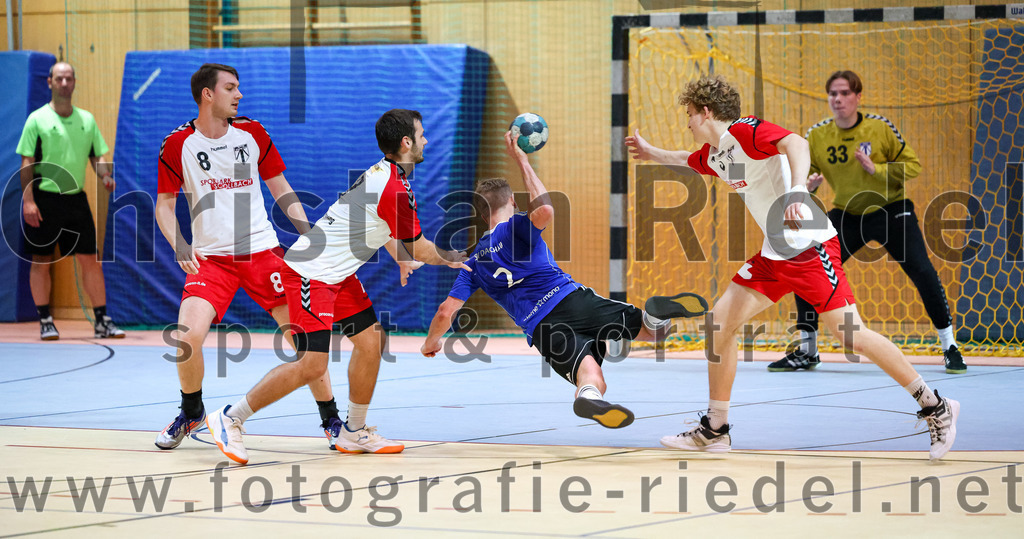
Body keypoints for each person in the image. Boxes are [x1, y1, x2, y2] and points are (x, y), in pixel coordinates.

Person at [625, 74, 960, 460]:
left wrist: (798, 189)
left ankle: (936, 405)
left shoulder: (744, 131)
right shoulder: (718, 155)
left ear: (705, 111)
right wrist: (652, 153)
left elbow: (795, 142)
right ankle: (716, 429)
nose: (687, 123)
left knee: (852, 335)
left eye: (689, 114)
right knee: (719, 324)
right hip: (774, 253)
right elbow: (688, 159)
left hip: (809, 247)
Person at [154, 64, 416, 451]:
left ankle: (332, 421)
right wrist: (178, 242)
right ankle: (192, 410)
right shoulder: (178, 144)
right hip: (211, 260)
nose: (238, 94)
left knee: (304, 343)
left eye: (238, 87)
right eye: (230, 88)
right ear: (207, 94)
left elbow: (281, 188)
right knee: (188, 336)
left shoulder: (253, 133)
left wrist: (309, 234)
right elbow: (163, 204)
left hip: (262, 252)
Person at [206, 108, 470, 465]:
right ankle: (230, 418)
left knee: (370, 342)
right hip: (311, 272)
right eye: (422, 135)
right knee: (312, 365)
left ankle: (354, 431)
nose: (427, 140)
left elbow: (381, 225)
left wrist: (401, 257)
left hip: (337, 273)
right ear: (407, 142)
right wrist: (458, 257)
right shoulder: (392, 184)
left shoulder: (385, 173)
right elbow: (421, 245)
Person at [421, 130, 676, 429]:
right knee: (655, 332)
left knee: (590, 376)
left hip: (541, 328)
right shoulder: (514, 229)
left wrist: (431, 342)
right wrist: (522, 160)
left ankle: (590, 396)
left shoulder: (474, 262)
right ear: (513, 204)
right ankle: (656, 316)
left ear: (480, 213)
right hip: (569, 301)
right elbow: (544, 210)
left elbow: (446, 312)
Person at [769, 70, 966, 374]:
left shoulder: (880, 128)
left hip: (891, 210)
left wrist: (878, 170)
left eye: (845, 93)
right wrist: (808, 185)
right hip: (848, 214)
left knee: (922, 270)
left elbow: (913, 166)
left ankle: (950, 346)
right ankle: (807, 351)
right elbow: (807, 172)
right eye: (833, 93)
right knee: (805, 262)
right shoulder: (818, 135)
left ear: (858, 97)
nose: (838, 99)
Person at [16, 62, 125, 342]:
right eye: (59, 79)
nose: (64, 83)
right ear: (50, 82)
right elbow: (26, 161)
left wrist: (105, 175)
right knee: (41, 260)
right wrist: (28, 201)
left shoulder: (87, 120)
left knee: (90, 260)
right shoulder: (37, 120)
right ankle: (45, 320)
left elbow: (97, 155)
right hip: (44, 198)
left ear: (75, 82)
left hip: (76, 200)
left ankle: (102, 320)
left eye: (69, 79)